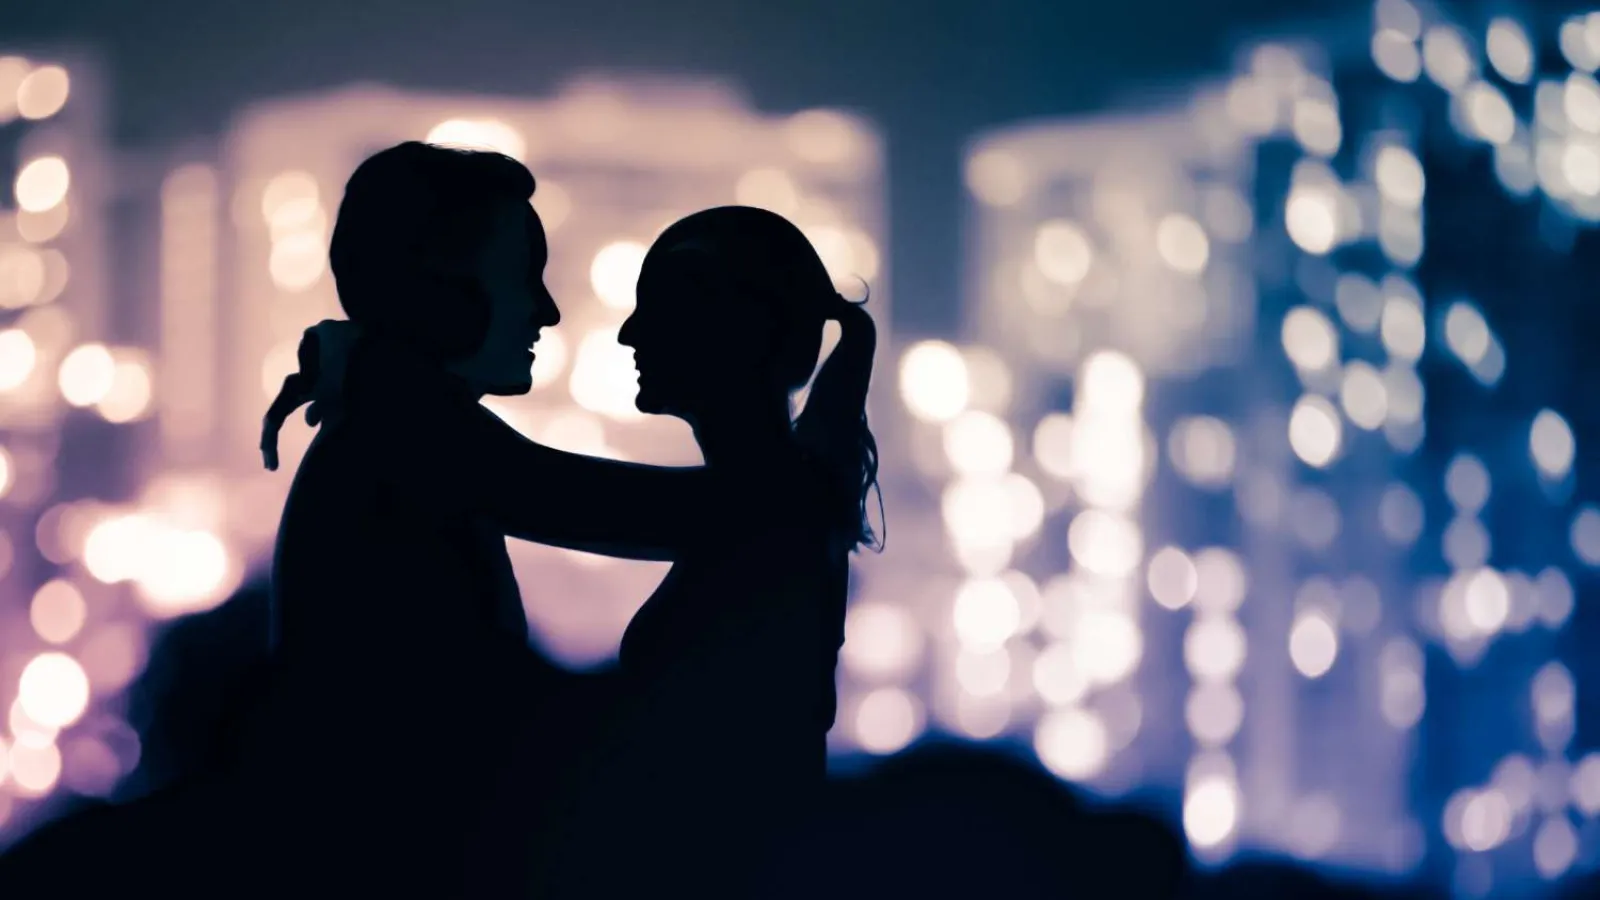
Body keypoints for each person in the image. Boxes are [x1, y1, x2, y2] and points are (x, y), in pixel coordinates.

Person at [537, 205, 882, 899]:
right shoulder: (788, 498)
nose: (630, 332)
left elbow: (528, 491)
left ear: (727, 331)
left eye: (656, 308)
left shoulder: (767, 507)